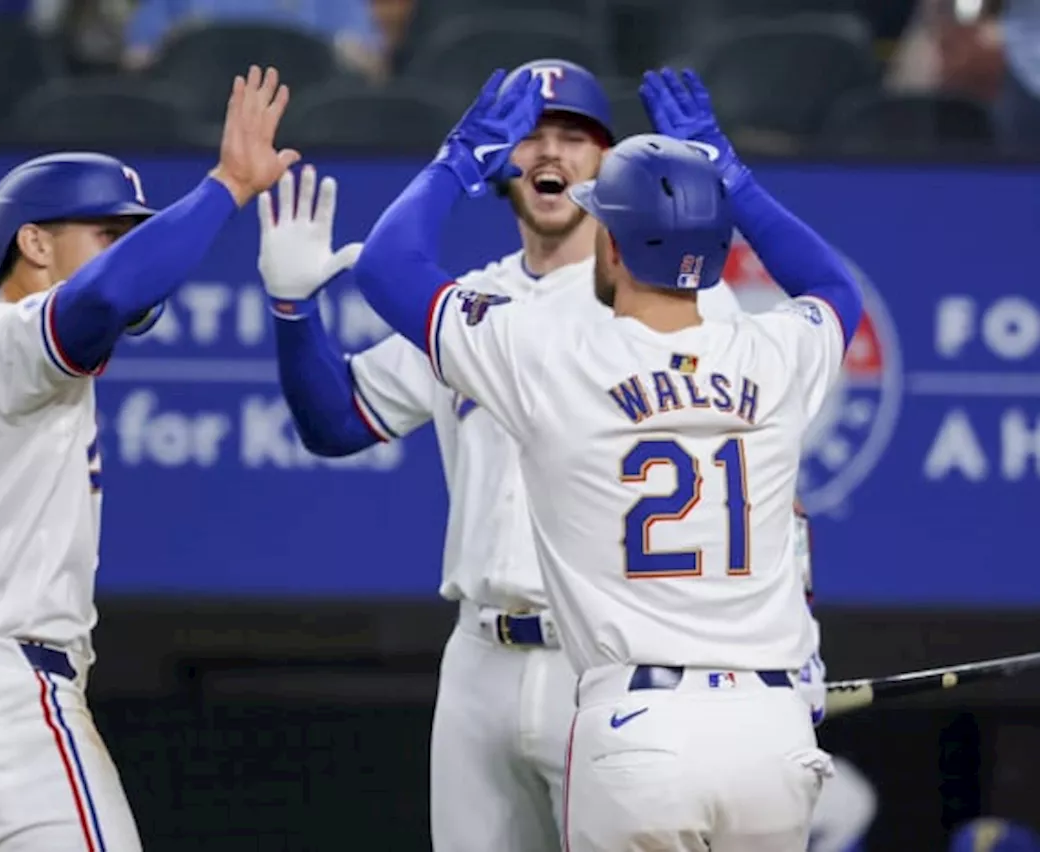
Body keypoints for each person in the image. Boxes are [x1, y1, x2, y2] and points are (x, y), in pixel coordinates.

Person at [349, 64, 859, 851]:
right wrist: (732, 175)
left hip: (637, 725)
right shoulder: (778, 352)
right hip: (770, 726)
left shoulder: (551, 355)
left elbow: (387, 268)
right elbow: (830, 283)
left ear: (611, 247)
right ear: (723, 249)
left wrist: (461, 156)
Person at [257, 58, 742, 852]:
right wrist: (290, 308)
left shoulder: (671, 305)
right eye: (530, 136)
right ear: (501, 164)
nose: (551, 153)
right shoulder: (469, 307)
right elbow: (335, 423)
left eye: (575, 137)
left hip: (611, 660)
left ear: (609, 164)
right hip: (480, 657)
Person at [0, 65, 299, 851]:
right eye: (107, 234)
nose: (126, 256)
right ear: (34, 242)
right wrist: (227, 184)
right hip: (0, 706)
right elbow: (99, 301)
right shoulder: (11, 338)